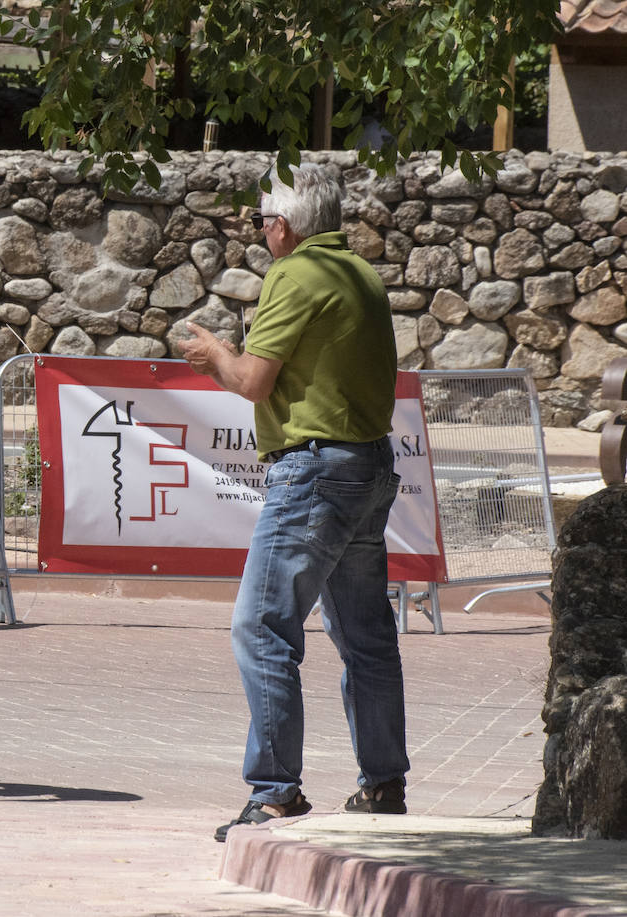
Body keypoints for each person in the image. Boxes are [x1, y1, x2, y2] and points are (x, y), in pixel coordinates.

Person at [179, 163, 410, 842]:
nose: (260, 233)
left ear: (282, 226)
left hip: (314, 469)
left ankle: (276, 791)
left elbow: (253, 380)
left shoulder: (293, 274)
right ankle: (383, 780)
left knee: (261, 626)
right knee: (366, 636)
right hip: (368, 463)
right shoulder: (362, 274)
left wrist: (216, 353)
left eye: (260, 221)